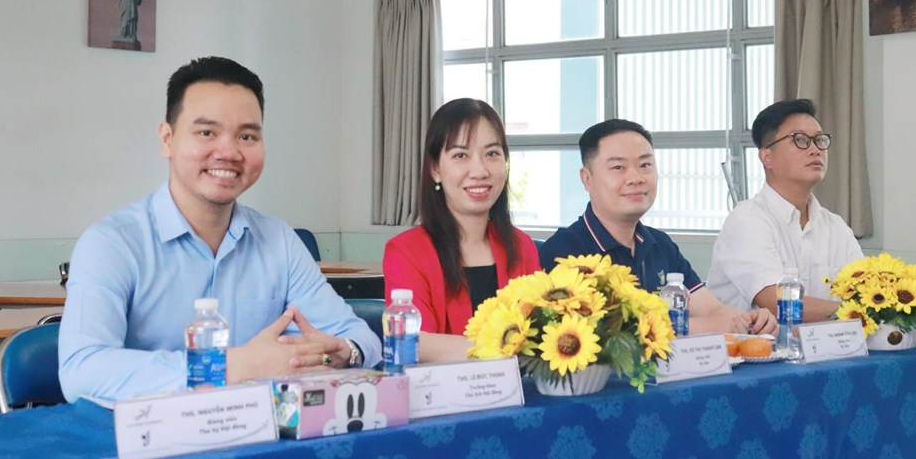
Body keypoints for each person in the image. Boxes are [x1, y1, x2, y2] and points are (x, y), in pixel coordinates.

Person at [58, 57, 381, 404]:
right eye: (206, 133)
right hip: (144, 433)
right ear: (167, 139)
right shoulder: (112, 243)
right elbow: (81, 371)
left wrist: (343, 352)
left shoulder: (279, 241)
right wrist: (233, 366)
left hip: (259, 430)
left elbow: (358, 337)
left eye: (246, 136)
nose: (229, 152)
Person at [539, 119, 776, 336]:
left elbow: (712, 310)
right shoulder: (564, 252)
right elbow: (603, 335)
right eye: (618, 168)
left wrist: (750, 321)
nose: (636, 178)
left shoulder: (660, 244)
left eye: (645, 165)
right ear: (587, 179)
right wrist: (703, 326)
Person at [383, 98, 541, 361]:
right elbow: (415, 342)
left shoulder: (521, 246)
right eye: (460, 155)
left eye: (492, 154)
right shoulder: (406, 252)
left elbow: (542, 331)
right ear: (435, 169)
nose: (479, 171)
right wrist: (505, 349)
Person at [707, 99, 863, 322]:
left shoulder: (836, 227)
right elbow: (777, 302)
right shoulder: (747, 220)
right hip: (753, 344)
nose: (815, 150)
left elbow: (864, 291)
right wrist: (858, 314)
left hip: (825, 344)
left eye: (820, 140)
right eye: (800, 140)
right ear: (767, 157)